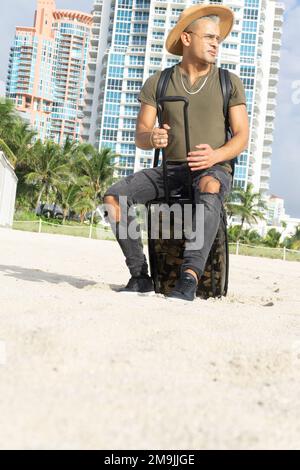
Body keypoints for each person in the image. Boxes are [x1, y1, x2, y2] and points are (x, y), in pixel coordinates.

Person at [104, 4, 249, 301]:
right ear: (186, 38)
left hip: (212, 169)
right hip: (170, 171)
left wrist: (216, 156)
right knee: (113, 197)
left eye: (217, 40)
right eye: (208, 37)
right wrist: (152, 136)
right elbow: (141, 135)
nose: (215, 44)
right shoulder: (158, 82)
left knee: (210, 184)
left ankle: (189, 279)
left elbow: (242, 136)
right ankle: (140, 276)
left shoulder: (228, 81)